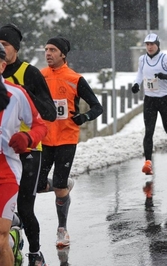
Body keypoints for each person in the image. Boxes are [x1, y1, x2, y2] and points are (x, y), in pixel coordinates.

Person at [0, 23, 57, 265]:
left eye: (5, 45)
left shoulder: (29, 73)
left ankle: (35, 252)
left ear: (16, 50)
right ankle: (9, 239)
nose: (0, 49)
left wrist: (22, 96)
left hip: (29, 152)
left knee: (25, 206)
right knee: (1, 210)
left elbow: (49, 113)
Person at [38, 36, 103, 247]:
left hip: (66, 138)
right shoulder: (40, 76)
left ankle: (62, 230)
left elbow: (97, 107)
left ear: (63, 54)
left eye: (53, 50)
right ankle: (65, 186)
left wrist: (83, 117)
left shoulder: (75, 79)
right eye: (46, 49)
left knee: (57, 184)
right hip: (44, 139)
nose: (48, 53)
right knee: (37, 185)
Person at [131, 33, 167, 175]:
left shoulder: (165, 59)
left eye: (152, 44)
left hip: (165, 99)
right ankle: (148, 162)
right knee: (149, 131)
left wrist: (165, 76)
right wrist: (136, 84)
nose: (150, 47)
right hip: (150, 100)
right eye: (147, 44)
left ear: (157, 45)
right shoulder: (142, 59)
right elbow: (140, 74)